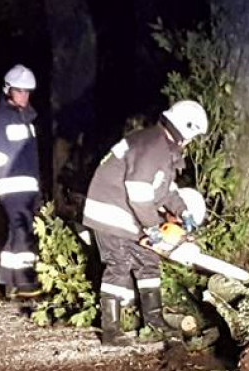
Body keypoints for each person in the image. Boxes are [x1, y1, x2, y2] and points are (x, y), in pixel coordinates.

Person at [82, 100, 209, 346]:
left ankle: (154, 320)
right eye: (193, 136)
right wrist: (152, 228)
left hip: (125, 210)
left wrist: (184, 213)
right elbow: (139, 194)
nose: (192, 142)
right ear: (186, 129)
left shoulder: (162, 148)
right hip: (111, 212)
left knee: (148, 261)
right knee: (119, 264)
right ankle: (111, 330)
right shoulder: (153, 147)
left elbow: (165, 190)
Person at [0, 64, 42, 298]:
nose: (24, 96)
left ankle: (10, 281)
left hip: (29, 188)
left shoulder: (27, 119)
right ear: (8, 90)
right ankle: (25, 283)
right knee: (21, 232)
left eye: (27, 92)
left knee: (20, 232)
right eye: (20, 91)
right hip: (11, 186)